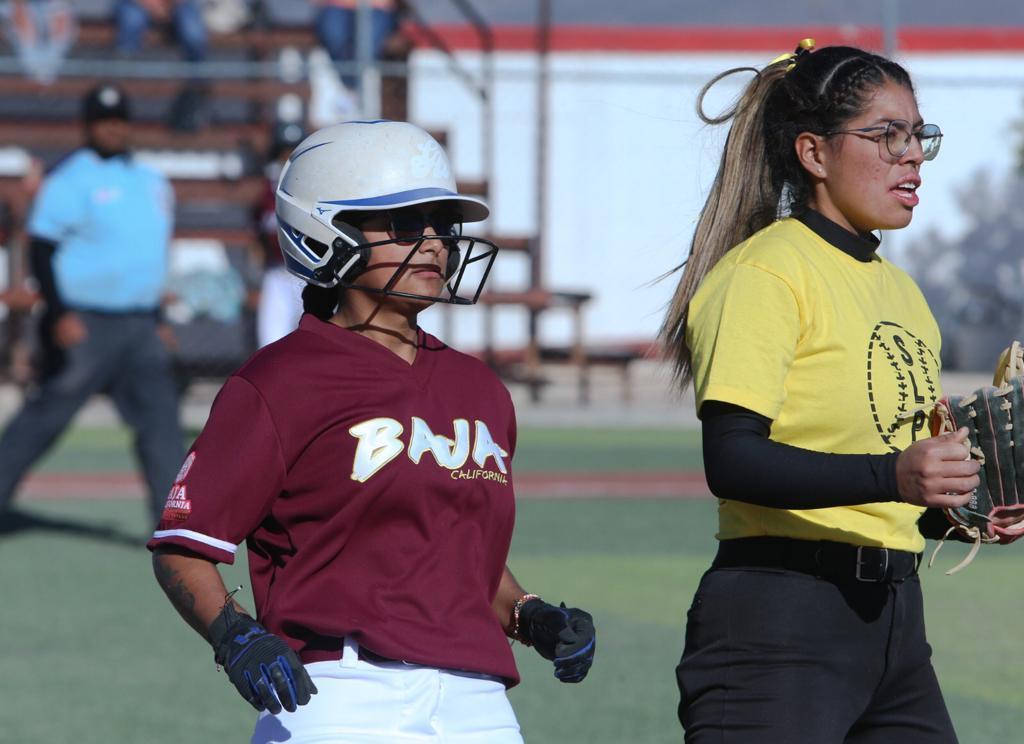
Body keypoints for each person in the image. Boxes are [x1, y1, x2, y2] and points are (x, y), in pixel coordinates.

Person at [147, 120, 596, 743]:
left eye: (443, 225)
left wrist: (530, 615)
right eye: (408, 226)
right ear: (327, 232)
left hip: (478, 700)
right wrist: (236, 636)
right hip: (339, 696)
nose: (436, 244)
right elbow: (183, 545)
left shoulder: (481, 390)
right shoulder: (279, 382)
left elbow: (464, 558)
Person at [660, 41, 1008, 742]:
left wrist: (965, 507)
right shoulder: (766, 273)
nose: (911, 155)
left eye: (918, 136)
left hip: (894, 625)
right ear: (814, 153)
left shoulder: (902, 292)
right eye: (886, 135)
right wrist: (895, 475)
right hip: (780, 624)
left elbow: (892, 484)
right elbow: (731, 461)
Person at [0, 83, 184, 528]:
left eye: (119, 120)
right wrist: (60, 313)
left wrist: (158, 316)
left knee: (161, 422)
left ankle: (172, 526)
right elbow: (43, 250)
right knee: (48, 414)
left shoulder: (151, 181)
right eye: (103, 121)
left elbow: (148, 254)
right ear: (87, 126)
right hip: (86, 322)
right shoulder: (72, 178)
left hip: (140, 323)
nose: (112, 129)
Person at [253, 120, 305, 347]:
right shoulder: (267, 190)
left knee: (312, 344)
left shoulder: (314, 189)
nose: (286, 160)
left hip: (310, 275)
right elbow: (258, 234)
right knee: (270, 343)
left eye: (293, 153)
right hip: (278, 271)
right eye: (283, 153)